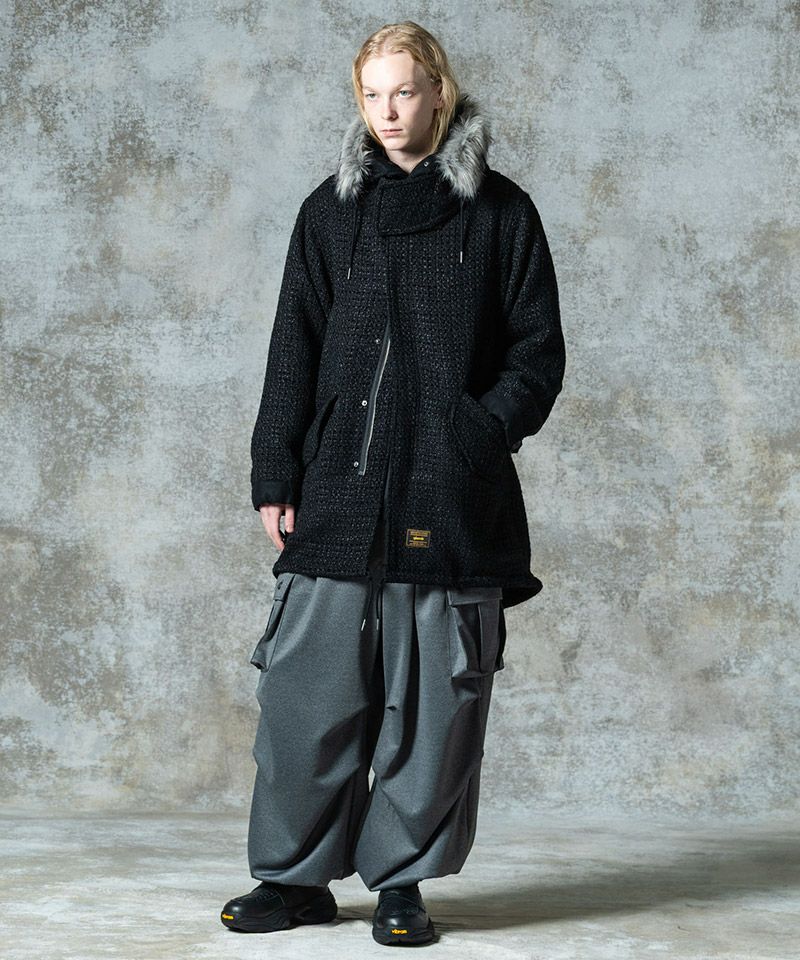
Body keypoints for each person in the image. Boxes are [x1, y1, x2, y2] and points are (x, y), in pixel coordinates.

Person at [220, 20, 566, 947]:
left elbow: (538, 354)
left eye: (404, 92)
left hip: (450, 501)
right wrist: (274, 472)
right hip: (336, 491)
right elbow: (292, 348)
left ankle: (404, 883)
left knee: (436, 709)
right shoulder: (328, 212)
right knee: (306, 698)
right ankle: (292, 879)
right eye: (372, 95)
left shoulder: (501, 214)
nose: (388, 112)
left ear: (439, 92)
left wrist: (473, 434)